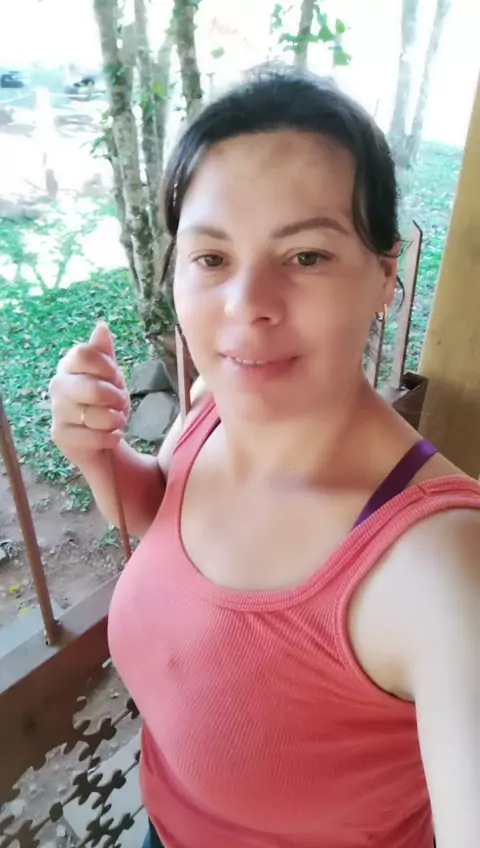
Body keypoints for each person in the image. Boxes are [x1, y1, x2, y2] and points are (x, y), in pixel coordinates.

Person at [49, 66, 480, 848]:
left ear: (384, 276)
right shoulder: (212, 409)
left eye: (307, 256)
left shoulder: (443, 566)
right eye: (211, 258)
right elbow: (162, 511)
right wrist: (97, 454)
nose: (246, 305)